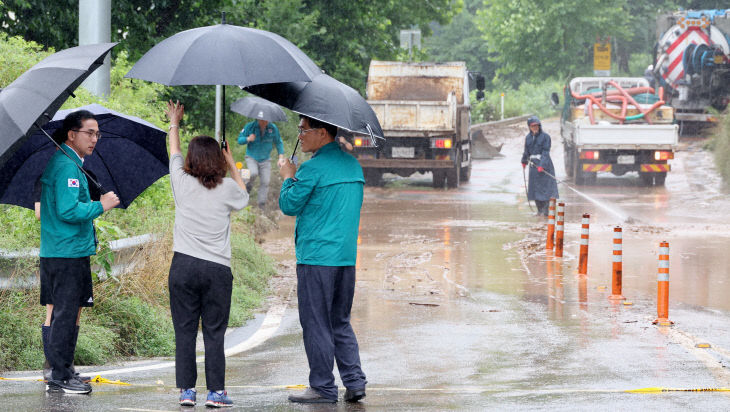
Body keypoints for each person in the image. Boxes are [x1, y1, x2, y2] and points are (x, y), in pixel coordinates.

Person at [165, 101, 249, 408]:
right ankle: (216, 393)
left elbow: (173, 152)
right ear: (218, 159)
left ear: (190, 158)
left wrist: (174, 121)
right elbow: (245, 195)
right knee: (215, 332)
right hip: (216, 270)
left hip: (183, 266)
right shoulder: (227, 188)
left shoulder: (181, 182)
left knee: (184, 331)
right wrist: (231, 161)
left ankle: (187, 391)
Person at [279, 115, 367, 404]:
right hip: (344, 259)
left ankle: (322, 386)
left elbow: (289, 205)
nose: (300, 135)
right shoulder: (353, 166)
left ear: (322, 133)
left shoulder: (312, 169)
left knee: (316, 322)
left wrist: (288, 176)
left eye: (304, 130)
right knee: (339, 321)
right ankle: (354, 382)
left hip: (317, 258)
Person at [40, 110, 120, 394]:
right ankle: (59, 377)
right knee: (64, 313)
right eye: (89, 132)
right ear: (71, 134)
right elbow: (68, 210)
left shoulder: (73, 164)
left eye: (97, 133)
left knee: (69, 311)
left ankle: (65, 370)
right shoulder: (65, 167)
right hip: (65, 253)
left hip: (68, 251)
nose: (95, 139)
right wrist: (102, 205)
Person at [37, 169, 100, 383]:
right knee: (54, 311)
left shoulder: (83, 174)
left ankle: (66, 365)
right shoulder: (50, 175)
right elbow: (40, 212)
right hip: (58, 250)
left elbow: (88, 206)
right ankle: (53, 368)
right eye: (89, 133)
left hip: (78, 248)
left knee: (75, 310)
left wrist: (89, 205)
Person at [237, 118, 286, 209]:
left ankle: (261, 205)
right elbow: (239, 140)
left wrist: (280, 158)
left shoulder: (272, 128)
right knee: (253, 173)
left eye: (266, 120)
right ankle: (246, 187)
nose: (264, 122)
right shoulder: (250, 126)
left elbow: (279, 142)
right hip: (251, 157)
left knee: (265, 181)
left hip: (265, 159)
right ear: (258, 119)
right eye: (262, 120)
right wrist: (248, 138)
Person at [521, 116, 559, 216]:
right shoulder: (528, 138)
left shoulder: (546, 137)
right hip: (533, 166)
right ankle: (539, 211)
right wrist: (524, 161)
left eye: (537, 125)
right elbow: (526, 151)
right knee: (535, 189)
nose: (535, 127)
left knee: (546, 190)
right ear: (529, 127)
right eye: (533, 126)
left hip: (544, 165)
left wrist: (542, 165)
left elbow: (546, 152)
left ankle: (546, 212)